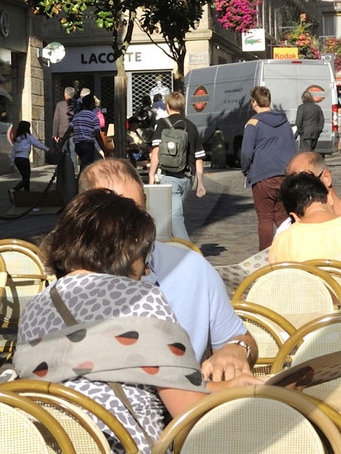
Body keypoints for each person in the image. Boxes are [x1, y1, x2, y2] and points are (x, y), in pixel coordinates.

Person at [10, 189, 208, 454]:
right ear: (126, 249)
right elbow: (188, 411)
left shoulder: (34, 307)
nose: (147, 269)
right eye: (145, 254)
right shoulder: (143, 297)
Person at [79, 157, 254, 383]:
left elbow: (240, 338)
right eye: (114, 217)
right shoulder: (71, 287)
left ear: (146, 206)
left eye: (136, 212)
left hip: (188, 402)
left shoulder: (191, 268)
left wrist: (236, 350)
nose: (129, 227)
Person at [240, 84, 296, 244]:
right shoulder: (284, 121)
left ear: (254, 102)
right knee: (281, 215)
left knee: (265, 218)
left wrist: (246, 170)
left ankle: (266, 253)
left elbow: (246, 153)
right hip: (285, 173)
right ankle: (291, 246)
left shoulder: (253, 123)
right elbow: (292, 146)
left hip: (263, 174)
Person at [148, 97, 206, 201]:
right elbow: (198, 157)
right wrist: (200, 183)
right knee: (175, 206)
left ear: (167, 106)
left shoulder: (162, 124)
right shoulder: (191, 126)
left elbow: (156, 151)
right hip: (188, 177)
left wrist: (151, 174)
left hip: (168, 175)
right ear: (183, 107)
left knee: (173, 210)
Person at [9, 116, 45, 202]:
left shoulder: (17, 138)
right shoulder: (28, 136)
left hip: (17, 159)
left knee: (25, 177)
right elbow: (37, 144)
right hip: (24, 158)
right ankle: (14, 190)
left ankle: (27, 195)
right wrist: (48, 149)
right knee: (26, 178)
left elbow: (13, 150)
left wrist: (11, 162)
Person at [70, 89, 107, 169]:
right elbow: (97, 134)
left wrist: (61, 143)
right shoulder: (93, 117)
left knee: (84, 162)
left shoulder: (77, 115)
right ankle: (82, 176)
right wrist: (103, 148)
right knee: (86, 165)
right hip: (88, 144)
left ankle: (82, 175)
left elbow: (69, 129)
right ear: (92, 104)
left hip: (78, 145)